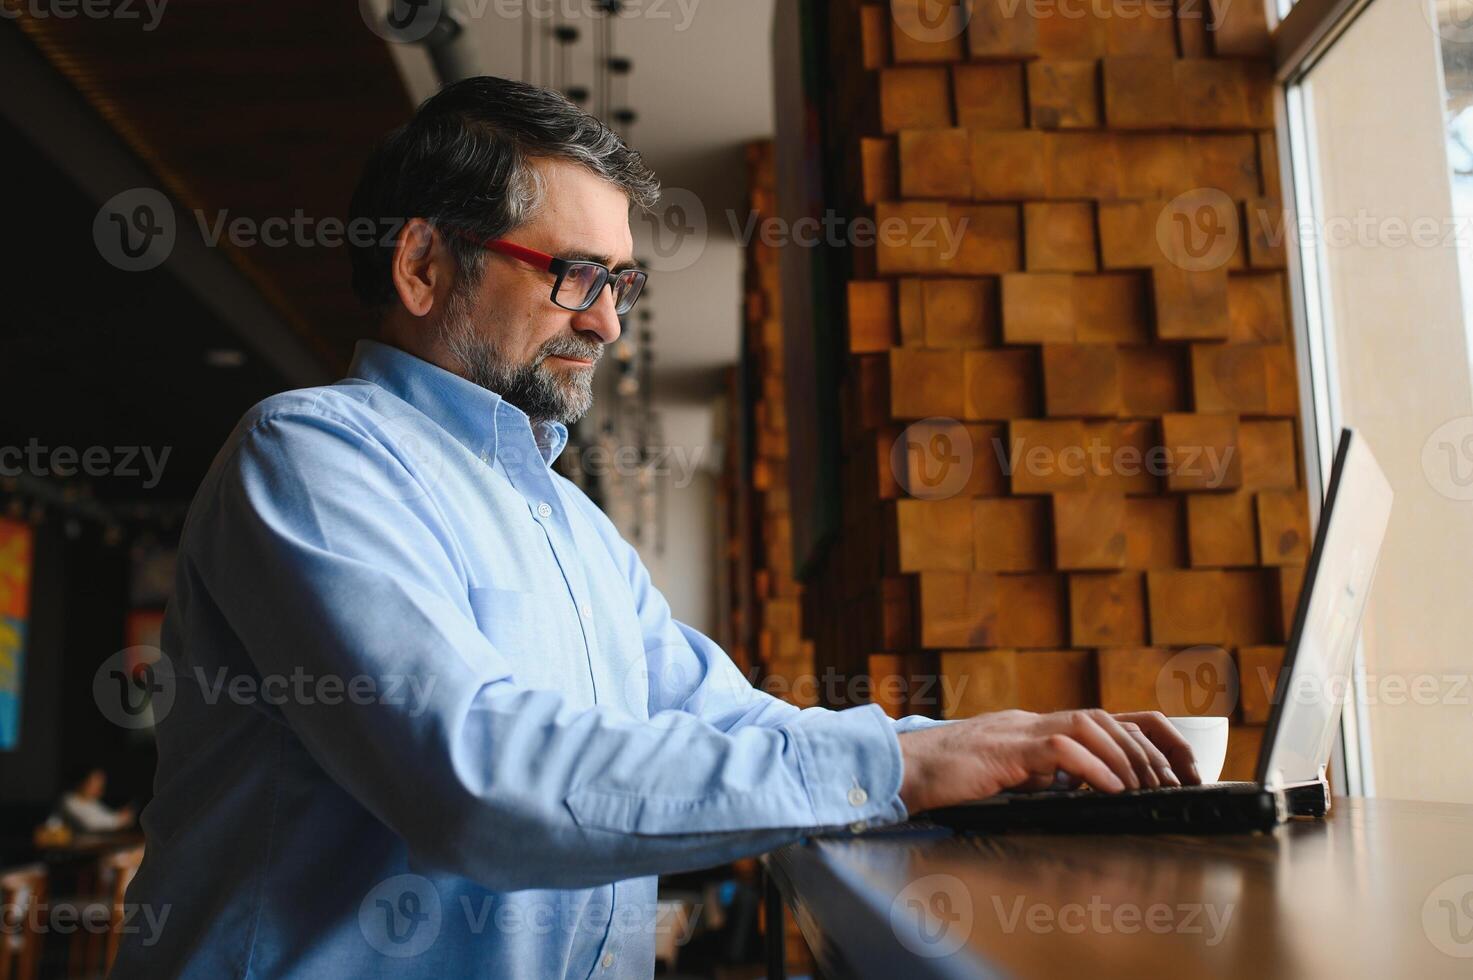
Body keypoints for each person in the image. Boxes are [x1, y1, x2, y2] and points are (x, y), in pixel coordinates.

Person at [112, 76, 1198, 978]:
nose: (609, 321)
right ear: (424, 264)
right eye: (576, 274)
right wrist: (901, 766)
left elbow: (728, 724)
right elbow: (475, 780)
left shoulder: (576, 529)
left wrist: (994, 749)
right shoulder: (311, 455)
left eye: (621, 282)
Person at [54, 767, 134, 833]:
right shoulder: (67, 801)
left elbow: (107, 816)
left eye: (101, 784)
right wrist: (120, 820)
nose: (99, 788)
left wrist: (121, 816)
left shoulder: (92, 802)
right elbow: (90, 824)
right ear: (82, 781)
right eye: (95, 782)